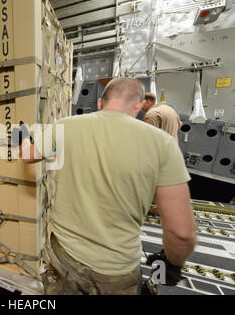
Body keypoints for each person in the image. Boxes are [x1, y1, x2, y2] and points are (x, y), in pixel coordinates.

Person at [12, 78, 196, 295]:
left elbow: (28, 155)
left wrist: (20, 135)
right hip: (117, 271)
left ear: (100, 103)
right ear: (138, 105)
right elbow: (182, 233)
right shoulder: (163, 144)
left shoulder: (65, 126)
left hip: (65, 260)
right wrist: (172, 266)